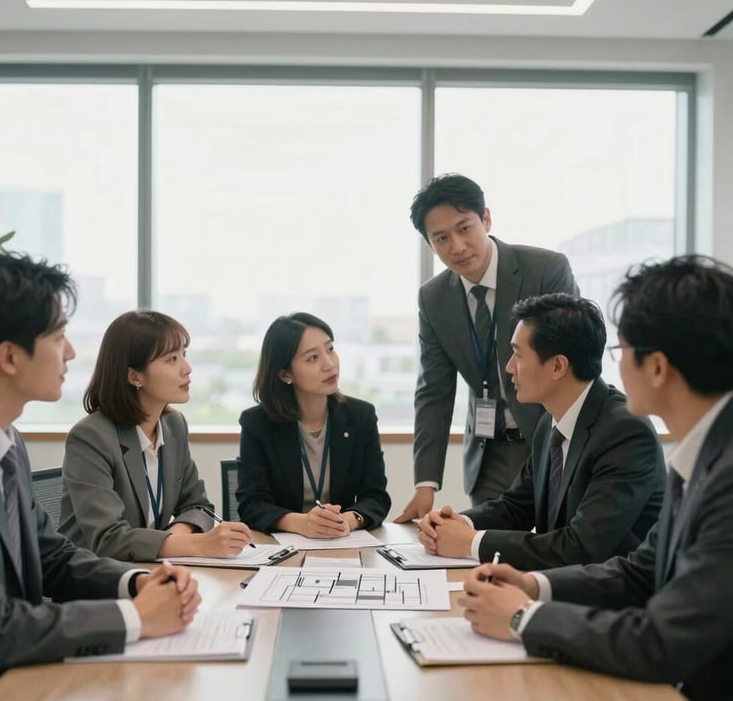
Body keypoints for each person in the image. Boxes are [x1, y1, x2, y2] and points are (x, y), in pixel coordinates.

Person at [458, 256, 733, 701]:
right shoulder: (703, 454)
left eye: (622, 349)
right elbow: (638, 571)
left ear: (658, 367)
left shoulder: (720, 473)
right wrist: (533, 586)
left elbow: (659, 642)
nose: (615, 364)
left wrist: (524, 618)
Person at [0, 252, 201, 701]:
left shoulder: (6, 441)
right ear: (10, 357)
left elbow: (53, 558)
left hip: (20, 686)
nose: (71, 352)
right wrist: (134, 618)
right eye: (58, 336)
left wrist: (137, 583)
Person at [417, 293, 664, 570]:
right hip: (562, 589)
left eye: (518, 354)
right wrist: (457, 523)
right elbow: (516, 506)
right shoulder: (550, 423)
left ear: (558, 366)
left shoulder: (625, 433)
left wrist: (471, 542)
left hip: (612, 601)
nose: (509, 367)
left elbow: (581, 547)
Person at [396, 173, 579, 521]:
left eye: (465, 228)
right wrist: (425, 483)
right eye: (441, 238)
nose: (457, 246)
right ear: (429, 244)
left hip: (554, 438)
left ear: (487, 219)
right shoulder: (434, 298)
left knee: (557, 554)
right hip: (489, 451)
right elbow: (433, 389)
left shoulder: (545, 270)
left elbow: (575, 359)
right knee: (489, 559)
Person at [59, 310, 252, 562]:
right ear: (134, 376)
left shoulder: (174, 426)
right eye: (172, 359)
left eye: (184, 354)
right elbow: (108, 540)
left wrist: (175, 539)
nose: (187, 368)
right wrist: (196, 544)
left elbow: (199, 506)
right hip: (96, 580)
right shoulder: (91, 437)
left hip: (150, 568)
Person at [237, 312, 391, 536]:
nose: (329, 365)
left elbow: (376, 497)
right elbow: (251, 504)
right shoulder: (257, 424)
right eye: (312, 358)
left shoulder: (361, 417)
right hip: (283, 546)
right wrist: (301, 523)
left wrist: (348, 519)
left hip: (343, 543)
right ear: (285, 373)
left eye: (330, 350)